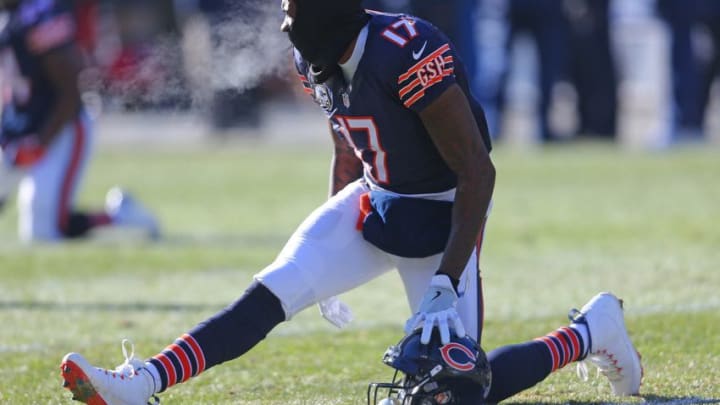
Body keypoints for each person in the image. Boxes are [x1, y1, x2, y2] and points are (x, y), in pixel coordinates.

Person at [59, 1, 642, 403]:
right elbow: (349, 140)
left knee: (464, 387)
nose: (286, 24)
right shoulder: (315, 55)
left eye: (294, 10)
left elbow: (477, 172)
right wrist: (329, 236)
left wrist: (446, 278)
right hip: (374, 200)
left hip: (442, 218)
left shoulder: (407, 51)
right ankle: (144, 381)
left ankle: (592, 330)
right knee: (274, 289)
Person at [0, 0, 159, 242]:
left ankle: (121, 217)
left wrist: (41, 143)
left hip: (60, 127)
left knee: (43, 233)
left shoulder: (40, 16)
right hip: (18, 127)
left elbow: (71, 91)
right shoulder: (11, 16)